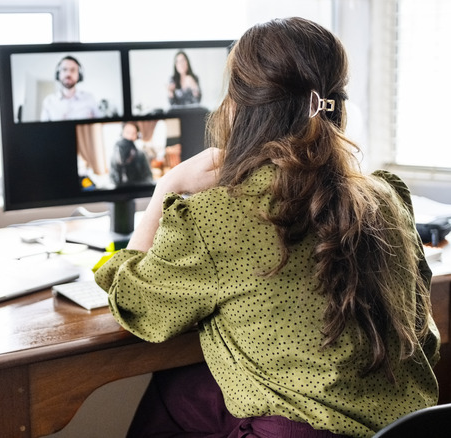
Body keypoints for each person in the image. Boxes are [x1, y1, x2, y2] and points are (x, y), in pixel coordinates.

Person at [95, 17, 439, 438]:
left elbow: (134, 302)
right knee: (186, 387)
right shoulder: (388, 197)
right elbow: (426, 336)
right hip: (407, 428)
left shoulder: (215, 216)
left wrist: (165, 189)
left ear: (238, 108)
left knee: (172, 394)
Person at [40, 55, 102, 121]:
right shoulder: (48, 101)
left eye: (73, 70)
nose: (68, 74)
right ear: (58, 74)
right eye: (64, 69)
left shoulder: (90, 98)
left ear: (79, 75)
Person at [111, 122, 153, 186]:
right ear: (122, 133)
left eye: (133, 133)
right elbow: (112, 179)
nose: (130, 136)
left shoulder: (141, 155)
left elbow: (149, 178)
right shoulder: (115, 154)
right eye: (127, 132)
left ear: (137, 135)